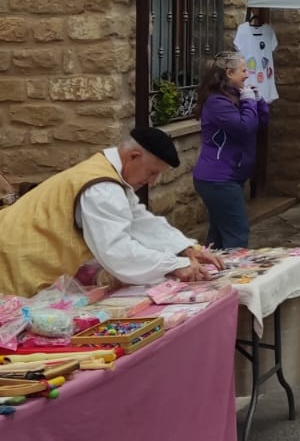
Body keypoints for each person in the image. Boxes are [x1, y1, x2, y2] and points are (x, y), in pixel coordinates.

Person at [0, 128, 221, 295]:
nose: (152, 182)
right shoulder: (102, 188)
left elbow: (138, 220)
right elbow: (117, 251)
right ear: (133, 156)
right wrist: (175, 265)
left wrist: (185, 249)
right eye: (152, 172)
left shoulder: (108, 174)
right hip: (14, 261)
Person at [192, 51, 269, 249]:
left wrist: (258, 102)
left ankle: (211, 272)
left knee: (218, 235)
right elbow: (244, 128)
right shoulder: (217, 103)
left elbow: (259, 123)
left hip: (227, 177)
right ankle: (236, 276)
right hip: (218, 179)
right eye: (243, 70)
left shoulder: (233, 96)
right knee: (237, 233)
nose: (247, 74)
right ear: (229, 73)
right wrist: (249, 101)